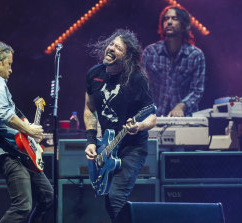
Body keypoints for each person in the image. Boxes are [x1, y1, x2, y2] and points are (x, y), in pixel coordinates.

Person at [0, 40, 54, 223]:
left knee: (47, 195)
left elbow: (8, 115)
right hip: (9, 154)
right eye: (9, 64)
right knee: (23, 206)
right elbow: (3, 114)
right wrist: (29, 130)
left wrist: (26, 130)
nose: (11, 70)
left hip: (17, 151)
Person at [84, 29, 156, 222]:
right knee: (109, 199)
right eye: (111, 44)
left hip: (131, 148)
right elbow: (89, 109)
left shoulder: (137, 79)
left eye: (118, 47)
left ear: (127, 56)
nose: (111, 48)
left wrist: (139, 126)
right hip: (107, 147)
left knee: (116, 196)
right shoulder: (94, 74)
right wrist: (91, 141)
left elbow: (152, 116)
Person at [141, 5, 205, 117]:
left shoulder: (195, 55)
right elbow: (142, 86)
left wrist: (181, 106)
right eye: (166, 19)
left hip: (185, 118)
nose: (169, 22)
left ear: (184, 25)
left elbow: (197, 90)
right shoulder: (150, 52)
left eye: (174, 18)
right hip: (154, 117)